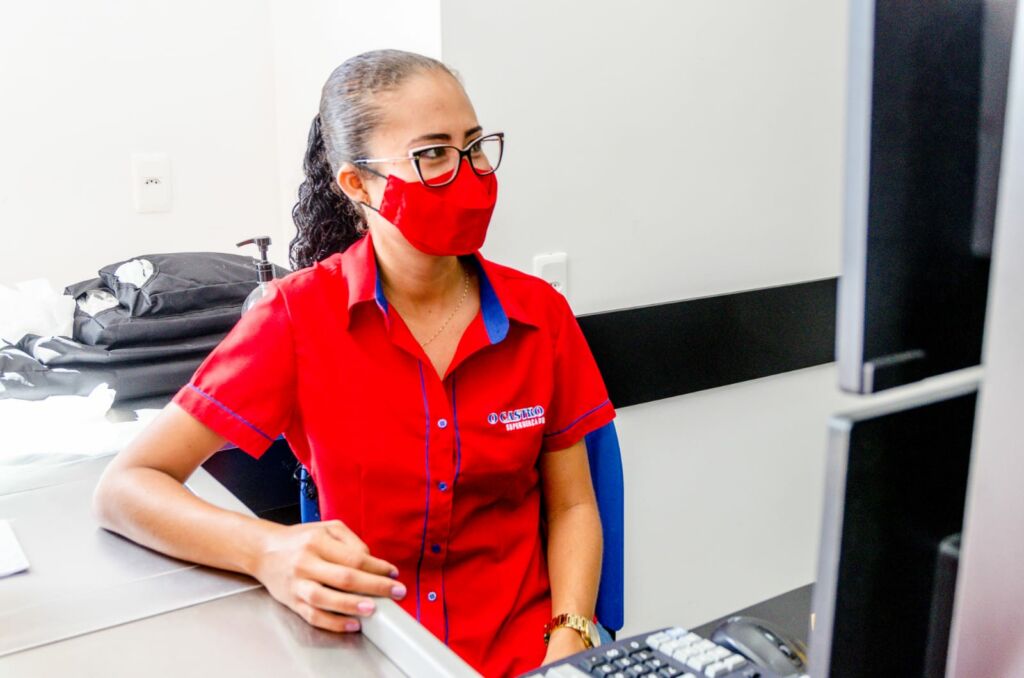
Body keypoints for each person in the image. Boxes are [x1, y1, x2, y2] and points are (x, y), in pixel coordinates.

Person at [93, 49, 615, 677]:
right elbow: (127, 487)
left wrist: (572, 637)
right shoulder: (297, 318)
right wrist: (267, 550)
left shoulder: (540, 316)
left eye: (475, 146)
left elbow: (574, 507)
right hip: (370, 650)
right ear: (358, 184)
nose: (470, 173)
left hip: (524, 654)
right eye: (433, 155)